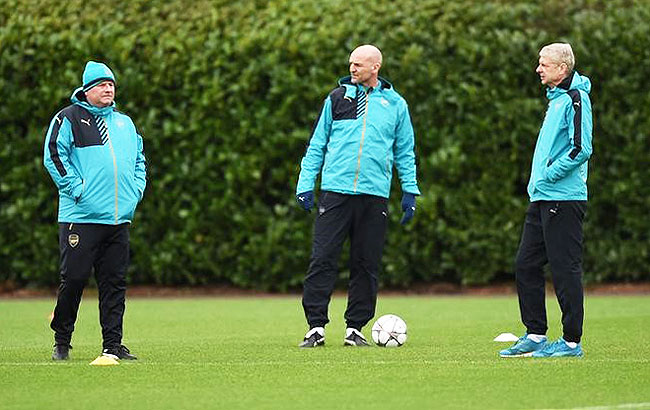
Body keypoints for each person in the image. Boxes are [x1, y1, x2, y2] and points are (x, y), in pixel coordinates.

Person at [295, 45, 420, 347]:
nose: (352, 69)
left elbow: (404, 151)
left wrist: (410, 190)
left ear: (375, 67)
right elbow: (317, 144)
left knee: (366, 263)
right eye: (351, 63)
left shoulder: (395, 104)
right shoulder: (337, 98)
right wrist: (305, 184)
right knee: (322, 258)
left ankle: (355, 329)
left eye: (359, 65)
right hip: (335, 193)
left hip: (374, 195)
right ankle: (316, 327)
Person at [43, 61, 147, 361]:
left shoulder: (125, 123)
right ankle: (62, 340)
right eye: (102, 84)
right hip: (81, 217)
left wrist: (135, 191)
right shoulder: (68, 118)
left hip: (118, 219)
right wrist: (77, 190)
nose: (108, 89)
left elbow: (140, 159)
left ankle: (112, 346)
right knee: (74, 279)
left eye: (111, 84)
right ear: (87, 89)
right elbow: (54, 155)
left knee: (114, 283)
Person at [500, 43, 593, 358]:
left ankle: (570, 342)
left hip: (563, 198)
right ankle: (536, 334)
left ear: (562, 69)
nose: (538, 69)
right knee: (525, 264)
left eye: (544, 64)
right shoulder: (555, 101)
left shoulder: (575, 99)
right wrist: (540, 183)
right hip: (542, 198)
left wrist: (550, 174)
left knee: (565, 268)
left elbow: (581, 148)